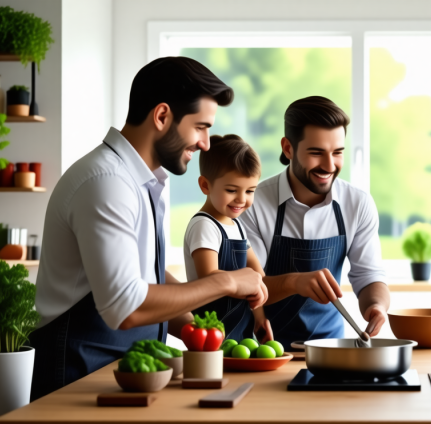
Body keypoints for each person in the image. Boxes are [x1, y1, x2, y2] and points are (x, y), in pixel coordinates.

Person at [29, 57, 268, 401]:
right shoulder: (106, 182)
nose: (205, 143)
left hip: (120, 371)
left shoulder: (141, 181)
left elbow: (146, 277)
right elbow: (127, 305)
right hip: (76, 374)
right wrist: (226, 281)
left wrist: (194, 330)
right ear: (161, 116)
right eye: (200, 127)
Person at [240, 96, 390, 349]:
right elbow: (246, 285)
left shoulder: (358, 204)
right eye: (316, 153)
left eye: (338, 153)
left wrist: (377, 306)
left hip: (332, 349)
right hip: (263, 352)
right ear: (288, 148)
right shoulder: (251, 203)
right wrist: (295, 282)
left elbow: (369, 275)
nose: (330, 165)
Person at [184, 134, 273, 342]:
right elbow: (209, 276)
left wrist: (260, 318)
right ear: (205, 185)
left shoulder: (237, 226)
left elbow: (257, 277)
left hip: (241, 330)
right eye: (232, 190)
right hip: (211, 332)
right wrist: (241, 282)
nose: (242, 199)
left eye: (250, 191)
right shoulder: (204, 225)